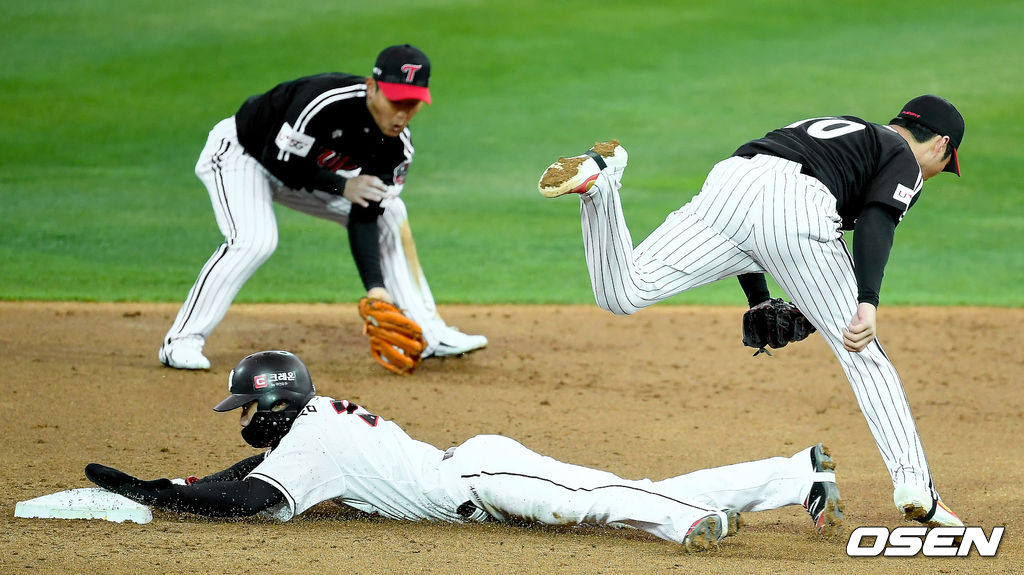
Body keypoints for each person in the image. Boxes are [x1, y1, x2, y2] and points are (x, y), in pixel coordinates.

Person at [537, 95, 965, 528]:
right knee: (862, 352)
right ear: (941, 145)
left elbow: (757, 215)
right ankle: (916, 488)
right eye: (945, 165)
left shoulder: (845, 128)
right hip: (797, 201)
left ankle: (600, 185)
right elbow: (876, 222)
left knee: (624, 292)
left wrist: (758, 298)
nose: (935, 173)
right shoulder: (902, 158)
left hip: (731, 183)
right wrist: (867, 301)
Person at [86, 350, 844, 552]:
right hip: (477, 472)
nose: (242, 420)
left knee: (587, 502)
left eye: (247, 407)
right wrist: (158, 481)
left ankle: (689, 521)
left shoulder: (310, 435)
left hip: (476, 474)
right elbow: (245, 475)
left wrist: (157, 492)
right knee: (624, 484)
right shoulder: (313, 426)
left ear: (275, 402)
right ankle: (793, 473)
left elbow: (250, 501)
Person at [158, 44, 486, 370]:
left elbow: (366, 209)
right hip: (243, 154)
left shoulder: (396, 145)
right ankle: (182, 341)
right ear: (372, 88)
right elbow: (278, 160)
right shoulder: (326, 101)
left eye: (412, 104)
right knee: (255, 241)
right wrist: (343, 185)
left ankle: (428, 334)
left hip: (304, 175)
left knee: (391, 212)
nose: (402, 113)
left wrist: (376, 289)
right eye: (395, 101)